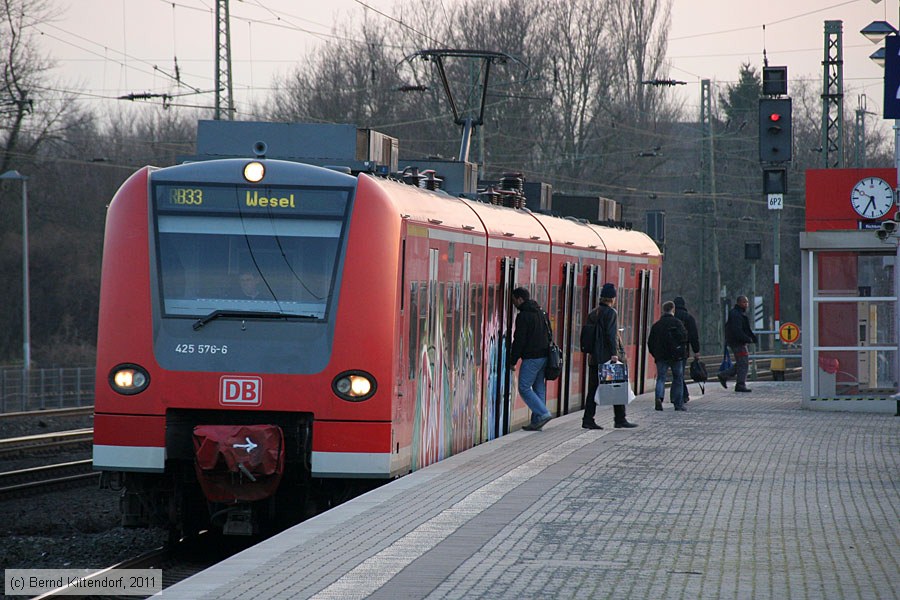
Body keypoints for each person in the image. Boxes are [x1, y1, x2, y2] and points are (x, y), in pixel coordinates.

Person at [584, 283, 637, 429]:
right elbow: (611, 334)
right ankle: (620, 419)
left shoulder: (593, 313)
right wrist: (614, 354)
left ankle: (587, 419)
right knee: (618, 386)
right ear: (612, 298)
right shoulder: (611, 313)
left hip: (594, 358)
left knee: (593, 389)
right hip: (607, 357)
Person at [508, 287, 553, 431]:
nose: (513, 303)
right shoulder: (541, 312)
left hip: (532, 358)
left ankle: (543, 413)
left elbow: (519, 340)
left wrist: (513, 360)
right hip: (544, 356)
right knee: (539, 387)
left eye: (514, 300)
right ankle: (537, 421)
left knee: (524, 387)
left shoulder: (523, 316)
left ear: (520, 299)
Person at [648, 300, 689, 411]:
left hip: (661, 357)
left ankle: (659, 398)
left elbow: (650, 342)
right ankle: (678, 404)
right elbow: (684, 338)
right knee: (678, 379)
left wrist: (655, 354)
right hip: (676, 357)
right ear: (673, 310)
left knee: (661, 378)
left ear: (663, 310)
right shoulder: (678, 323)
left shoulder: (657, 325)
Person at [718, 295, 758, 392]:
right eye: (744, 302)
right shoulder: (736, 314)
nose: (746, 304)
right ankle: (740, 384)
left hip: (738, 342)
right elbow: (737, 330)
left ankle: (724, 375)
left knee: (742, 362)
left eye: (747, 302)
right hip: (737, 342)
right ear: (738, 303)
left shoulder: (739, 313)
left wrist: (752, 338)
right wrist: (748, 339)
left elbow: (745, 329)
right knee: (743, 363)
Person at [673, 296, 701, 406]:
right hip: (683, 350)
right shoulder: (689, 318)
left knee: (676, 375)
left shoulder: (671, 317)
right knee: (679, 374)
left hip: (669, 350)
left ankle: (677, 396)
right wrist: (696, 350)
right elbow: (694, 336)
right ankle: (681, 396)